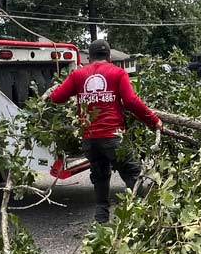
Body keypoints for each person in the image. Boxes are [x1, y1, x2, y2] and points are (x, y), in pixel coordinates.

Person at [47, 39, 162, 223]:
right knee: (133, 174)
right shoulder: (118, 73)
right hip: (113, 136)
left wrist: (56, 92)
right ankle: (146, 219)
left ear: (89, 57)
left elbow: (57, 98)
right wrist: (154, 120)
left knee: (100, 178)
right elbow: (130, 101)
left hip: (90, 139)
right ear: (109, 57)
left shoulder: (78, 75)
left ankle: (101, 222)